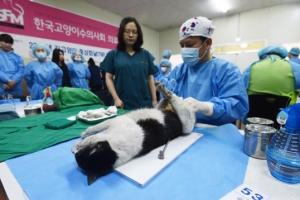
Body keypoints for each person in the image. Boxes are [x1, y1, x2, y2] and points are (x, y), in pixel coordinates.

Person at [160, 16, 249, 125]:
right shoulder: (179, 71)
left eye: (190, 45)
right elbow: (167, 97)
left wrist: (207, 107)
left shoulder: (227, 70)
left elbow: (237, 106)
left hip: (217, 132)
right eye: (182, 45)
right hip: (184, 131)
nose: (184, 49)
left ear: (207, 43)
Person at [101, 17, 158, 110]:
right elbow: (108, 78)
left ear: (138, 35)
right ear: (121, 33)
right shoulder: (113, 54)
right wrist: (116, 98)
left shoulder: (145, 54)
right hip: (122, 104)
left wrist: (154, 100)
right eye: (127, 31)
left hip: (144, 104)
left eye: (134, 32)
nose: (131, 35)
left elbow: (150, 77)